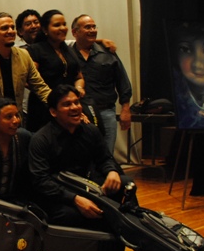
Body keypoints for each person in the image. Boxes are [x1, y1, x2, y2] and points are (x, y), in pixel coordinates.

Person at [29, 85, 130, 230]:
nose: (75, 107)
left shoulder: (90, 131)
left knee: (125, 184)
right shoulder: (41, 139)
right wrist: (74, 199)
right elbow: (41, 181)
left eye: (76, 102)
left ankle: (130, 234)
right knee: (71, 215)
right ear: (53, 112)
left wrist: (111, 171)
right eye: (67, 104)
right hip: (58, 193)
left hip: (84, 186)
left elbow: (104, 158)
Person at [70, 14, 133, 153]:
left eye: (94, 27)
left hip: (106, 112)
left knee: (106, 154)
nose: (92, 30)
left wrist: (125, 109)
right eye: (87, 27)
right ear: (75, 32)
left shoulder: (108, 52)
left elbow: (122, 81)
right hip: (79, 114)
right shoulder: (68, 54)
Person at [24, 9, 85, 132]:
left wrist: (79, 88)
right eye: (57, 25)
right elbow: (28, 80)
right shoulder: (35, 50)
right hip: (43, 107)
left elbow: (79, 77)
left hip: (68, 106)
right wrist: (51, 96)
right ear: (45, 30)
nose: (62, 28)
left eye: (64, 24)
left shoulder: (68, 50)